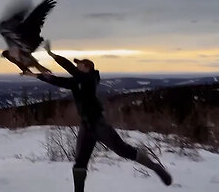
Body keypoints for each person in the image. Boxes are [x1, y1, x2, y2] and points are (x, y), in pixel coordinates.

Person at [22, 41, 172, 192]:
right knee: (79, 163)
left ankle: (155, 167)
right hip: (85, 126)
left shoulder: (88, 80)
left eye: (80, 65)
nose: (77, 67)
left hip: (98, 124)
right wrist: (52, 55)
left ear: (88, 68)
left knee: (123, 151)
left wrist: (35, 75)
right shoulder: (82, 77)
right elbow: (69, 66)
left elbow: (60, 80)